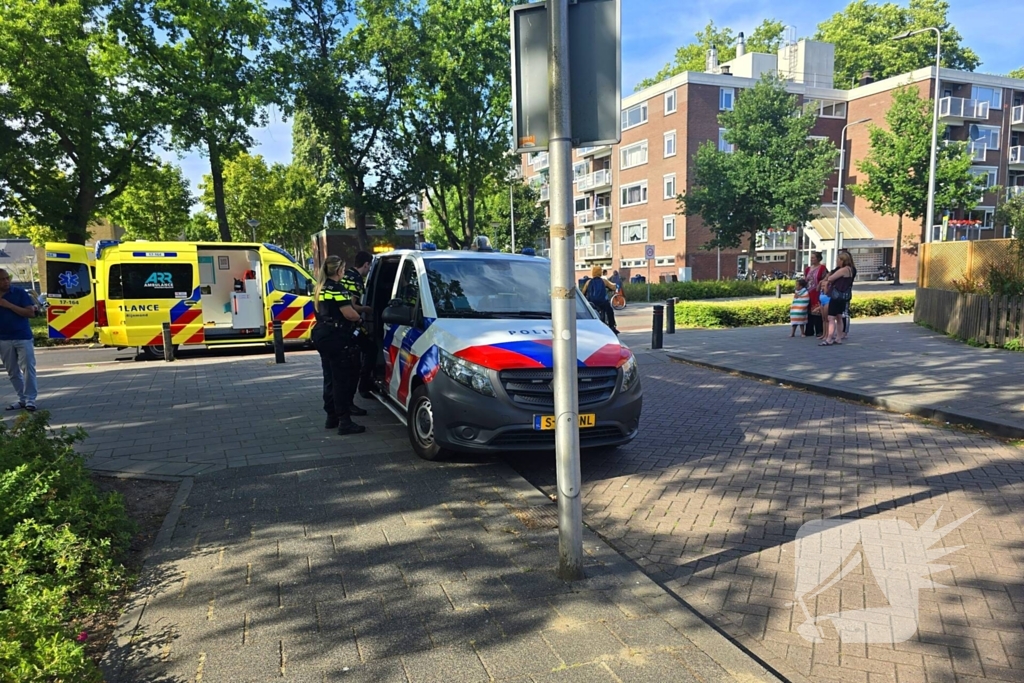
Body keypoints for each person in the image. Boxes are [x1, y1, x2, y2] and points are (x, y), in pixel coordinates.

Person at [312, 256, 365, 435]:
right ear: (339, 270)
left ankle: (331, 417)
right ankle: (344, 421)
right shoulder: (338, 289)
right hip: (337, 337)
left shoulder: (320, 288)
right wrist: (360, 318)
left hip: (322, 335)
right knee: (341, 380)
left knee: (329, 377)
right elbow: (349, 313)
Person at [0, 268, 39, 412]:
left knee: (28, 368)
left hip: (22, 336)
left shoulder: (19, 293)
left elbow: (30, 313)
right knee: (12, 371)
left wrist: (8, 305)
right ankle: (22, 398)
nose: (6, 282)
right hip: (3, 339)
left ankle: (30, 399)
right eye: (2, 279)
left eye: (7, 278)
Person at [342, 251, 375, 402]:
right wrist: (367, 309)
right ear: (366, 264)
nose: (369, 270)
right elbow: (353, 306)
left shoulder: (346, 274)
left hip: (341, 325)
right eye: (369, 267)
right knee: (370, 349)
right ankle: (364, 386)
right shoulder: (357, 280)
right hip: (351, 323)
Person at [820, 252, 855, 346]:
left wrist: (828, 280)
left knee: (831, 317)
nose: (836, 262)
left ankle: (829, 338)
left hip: (836, 296)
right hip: (843, 296)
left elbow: (831, 278)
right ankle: (838, 338)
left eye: (838, 260)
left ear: (842, 260)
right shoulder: (851, 269)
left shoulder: (843, 269)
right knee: (839, 317)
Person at [583, 265, 618, 334]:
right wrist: (613, 287)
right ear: (600, 272)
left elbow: (583, 292)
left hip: (592, 303)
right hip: (602, 303)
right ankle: (612, 326)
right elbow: (613, 287)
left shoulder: (588, 282)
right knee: (610, 311)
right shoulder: (604, 281)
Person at [803, 252, 827, 339]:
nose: (811, 259)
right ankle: (809, 331)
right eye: (811, 257)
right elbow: (805, 280)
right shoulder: (807, 269)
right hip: (808, 292)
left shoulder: (822, 268)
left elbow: (825, 278)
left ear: (818, 259)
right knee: (809, 311)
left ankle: (819, 331)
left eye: (813, 258)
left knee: (817, 311)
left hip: (817, 292)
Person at [837, 250, 857, 341]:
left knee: (845, 312)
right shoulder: (840, 269)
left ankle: (845, 331)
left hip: (845, 292)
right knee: (840, 312)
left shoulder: (850, 269)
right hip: (840, 291)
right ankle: (841, 331)